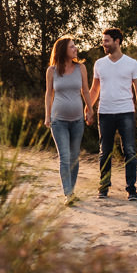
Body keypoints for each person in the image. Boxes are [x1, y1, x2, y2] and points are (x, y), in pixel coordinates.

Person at [88, 27, 137, 201]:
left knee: (129, 151)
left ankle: (131, 189)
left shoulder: (132, 63)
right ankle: (104, 187)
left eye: (106, 40)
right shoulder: (99, 64)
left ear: (117, 41)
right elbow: (95, 89)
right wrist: (88, 109)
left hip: (126, 113)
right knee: (104, 152)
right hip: (105, 113)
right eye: (103, 40)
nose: (103, 44)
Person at [44, 36, 92, 203]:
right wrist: (47, 116)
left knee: (74, 157)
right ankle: (68, 194)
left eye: (75, 46)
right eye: (72, 46)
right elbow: (49, 94)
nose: (76, 49)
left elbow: (85, 91)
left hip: (78, 120)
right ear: (63, 49)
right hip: (58, 121)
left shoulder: (81, 68)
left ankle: (71, 189)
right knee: (65, 157)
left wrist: (90, 110)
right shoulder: (52, 71)